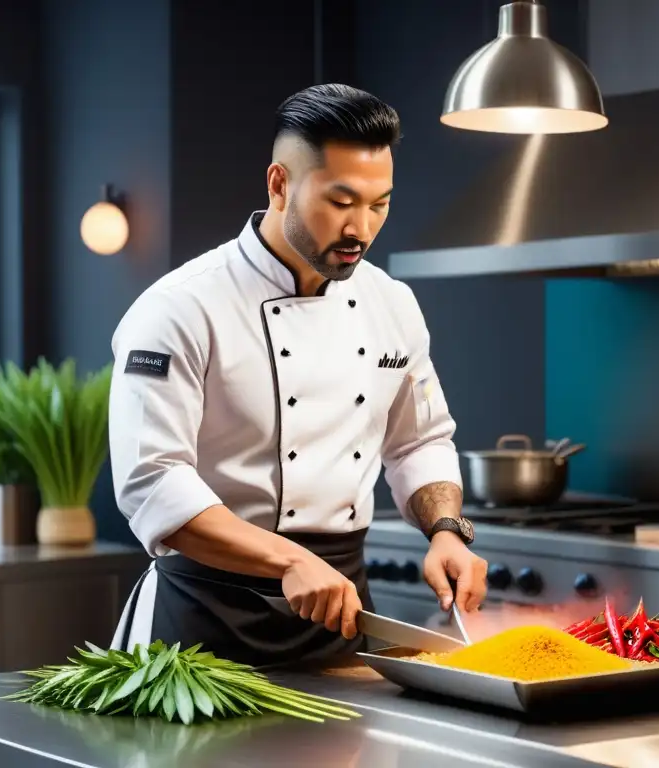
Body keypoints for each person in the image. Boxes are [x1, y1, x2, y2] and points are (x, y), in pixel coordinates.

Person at [108, 83, 487, 667]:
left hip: (338, 618)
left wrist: (446, 530)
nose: (361, 228)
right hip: (198, 630)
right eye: (341, 202)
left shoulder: (392, 304)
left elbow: (420, 440)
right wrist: (287, 560)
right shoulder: (180, 308)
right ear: (279, 184)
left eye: (379, 203)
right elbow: (153, 483)